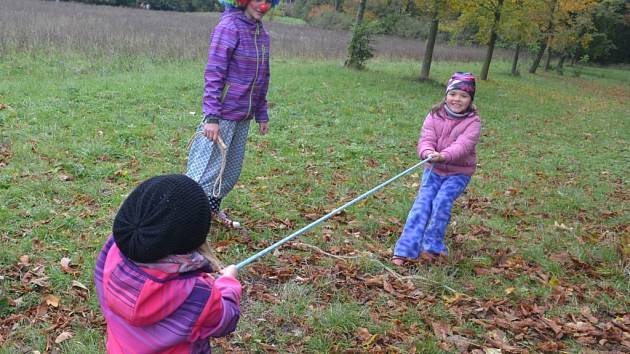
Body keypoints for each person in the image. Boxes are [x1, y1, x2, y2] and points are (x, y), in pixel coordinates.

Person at [94, 174, 241, 353]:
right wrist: (228, 283)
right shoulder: (198, 293)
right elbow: (226, 320)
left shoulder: (112, 250)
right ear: (192, 238)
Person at [186, 0, 277, 228]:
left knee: (228, 171)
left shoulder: (261, 33)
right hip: (222, 116)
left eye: (268, 1)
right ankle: (183, 218)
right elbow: (214, 73)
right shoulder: (229, 27)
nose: (263, 6)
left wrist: (261, 112)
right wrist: (212, 118)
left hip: (243, 117)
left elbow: (263, 76)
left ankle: (212, 211)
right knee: (205, 171)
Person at [392, 72, 481, 266]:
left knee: (441, 202)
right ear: (447, 94)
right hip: (434, 170)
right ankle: (405, 249)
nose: (457, 99)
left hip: (458, 173)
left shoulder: (473, 122)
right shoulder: (434, 115)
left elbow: (464, 145)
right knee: (422, 204)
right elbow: (426, 138)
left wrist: (444, 155)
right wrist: (427, 151)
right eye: (453, 94)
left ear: (470, 99)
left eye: (464, 96)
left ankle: (432, 247)